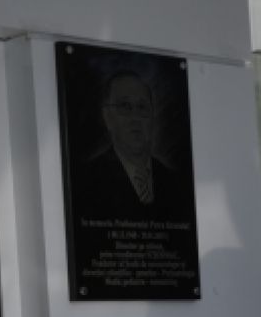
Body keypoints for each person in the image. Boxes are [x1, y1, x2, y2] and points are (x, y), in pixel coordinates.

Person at [71, 70, 194, 224]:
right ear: (107, 117)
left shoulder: (176, 184)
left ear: (152, 116)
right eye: (124, 106)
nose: (135, 117)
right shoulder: (86, 181)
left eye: (142, 107)